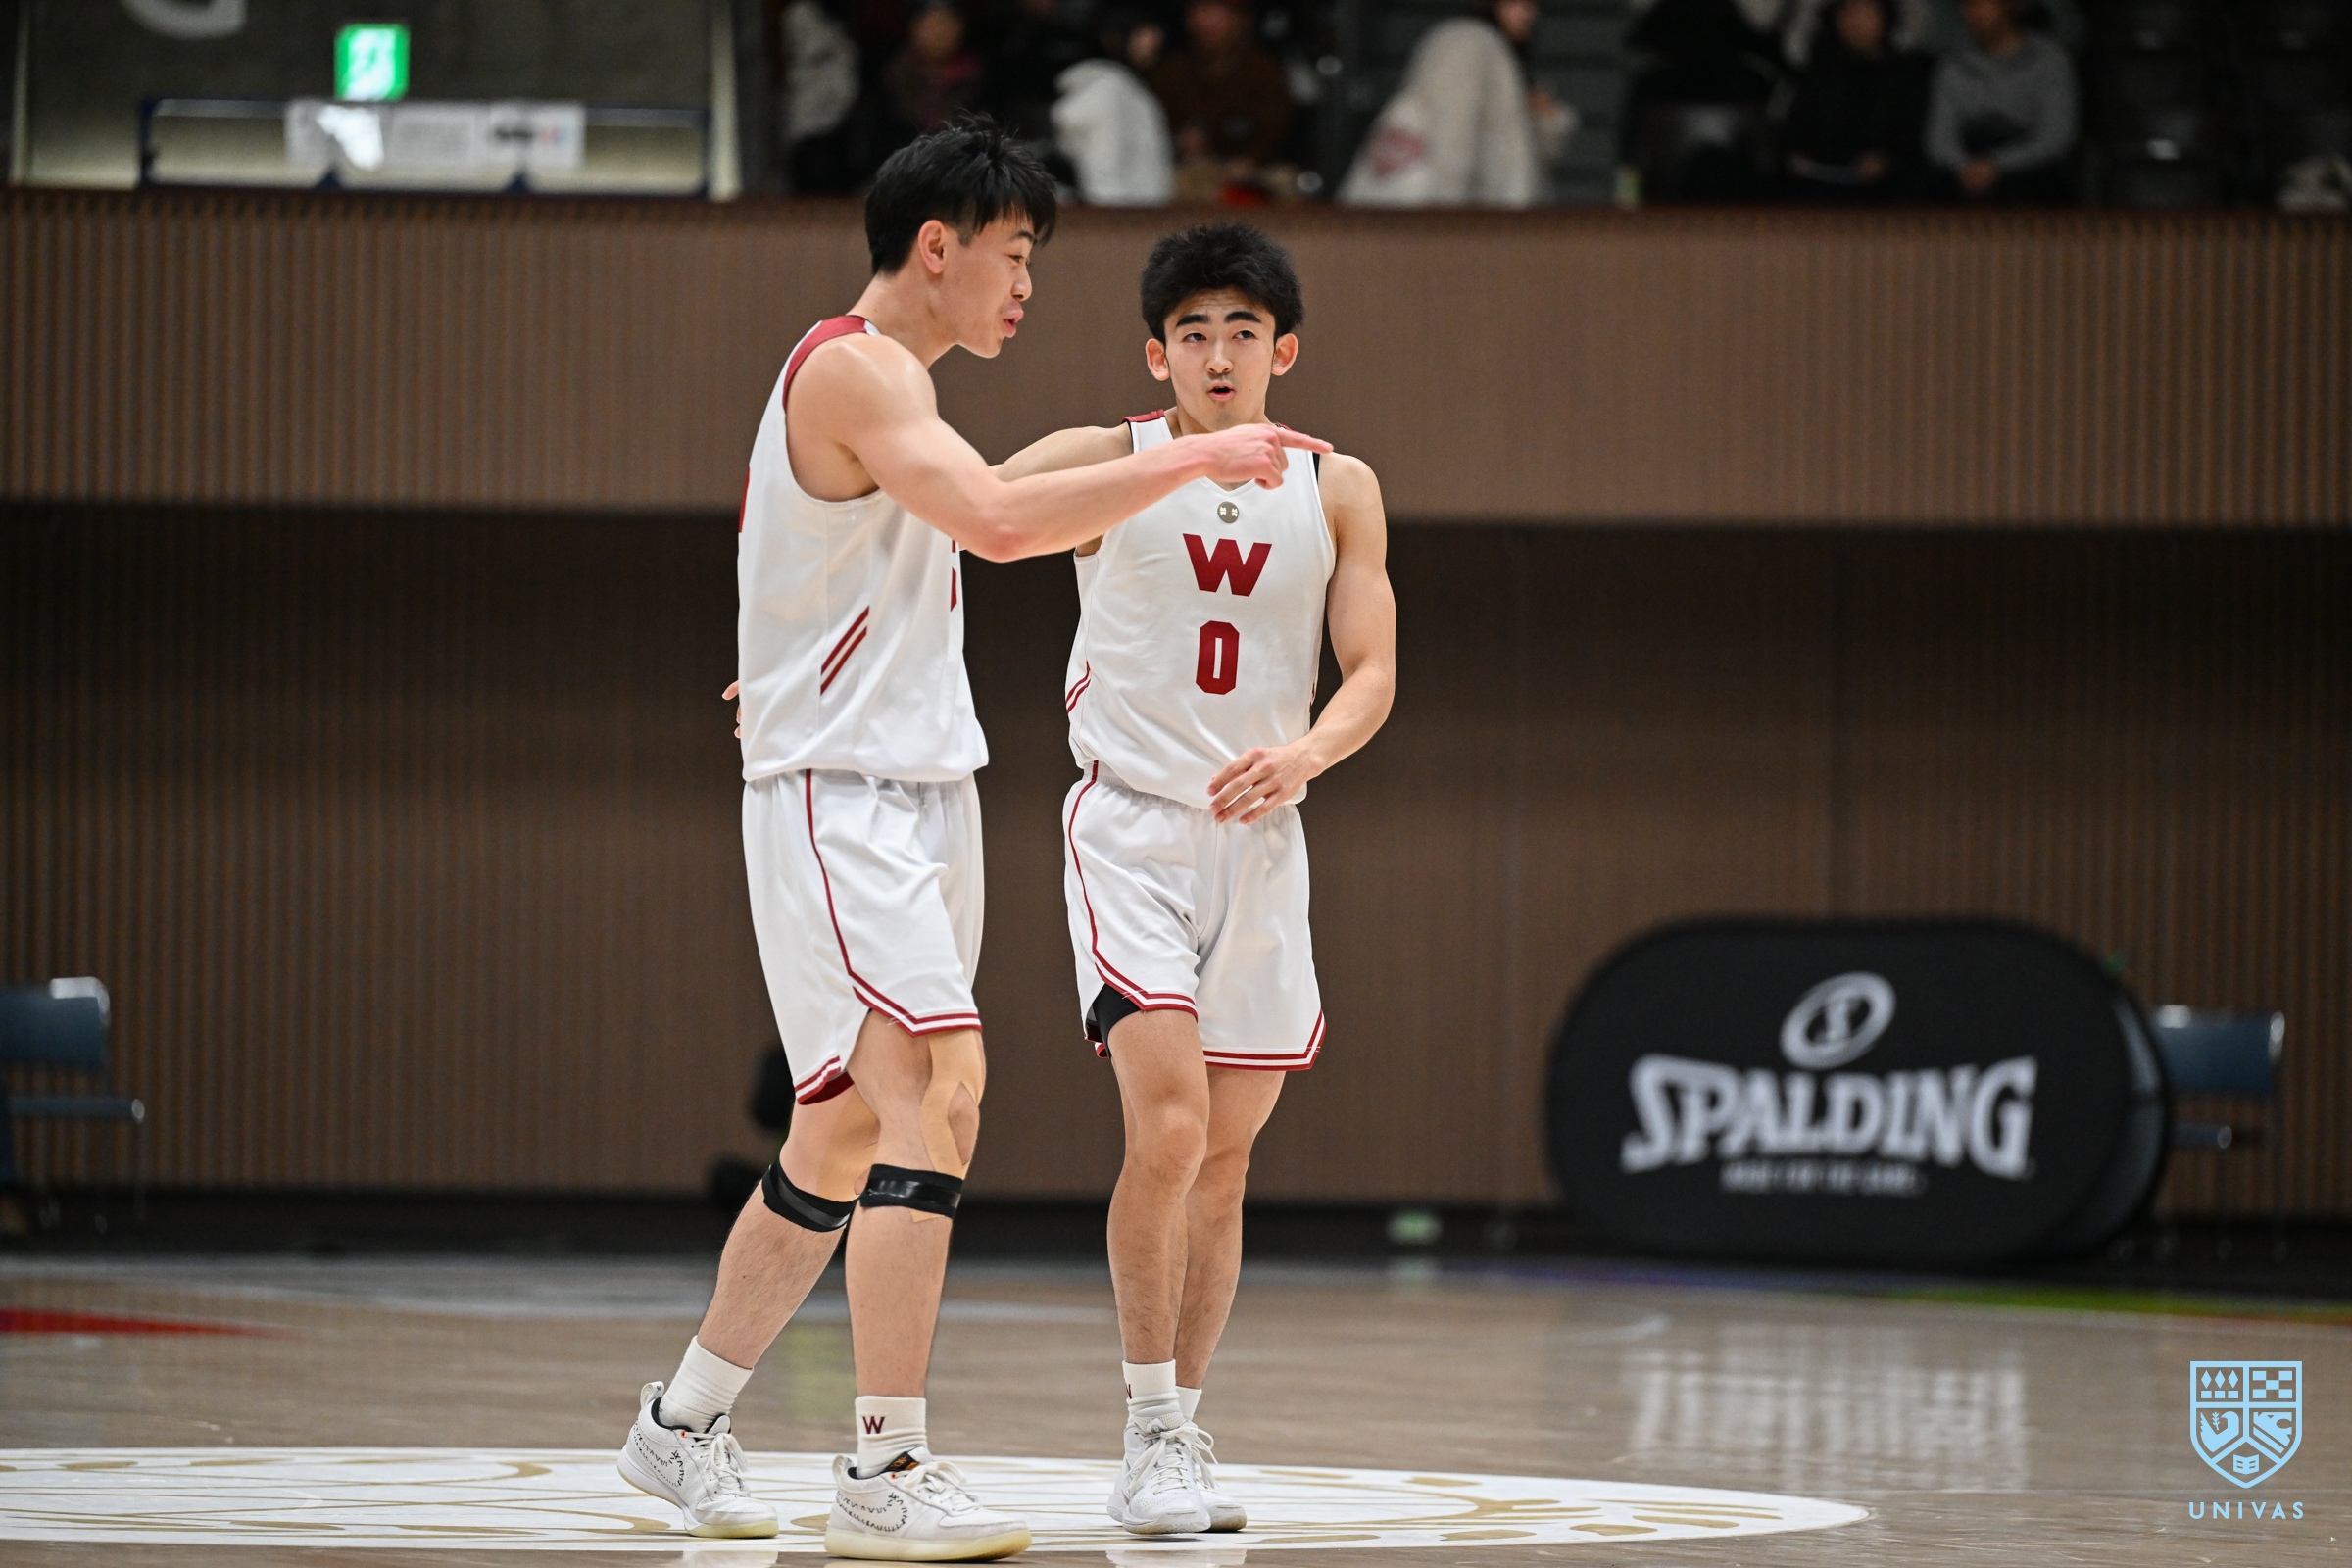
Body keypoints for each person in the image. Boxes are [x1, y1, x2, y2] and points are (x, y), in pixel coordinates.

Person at [614, 122, 1328, 1557]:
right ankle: (885, 1463)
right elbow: (1000, 523)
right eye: (1014, 255)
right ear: (937, 245)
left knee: (841, 1130)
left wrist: (778, 654)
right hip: (845, 792)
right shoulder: (855, 366)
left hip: (921, 787)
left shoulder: (907, 392)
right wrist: (1201, 459)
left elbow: (883, 547)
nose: (1025, 288)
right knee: (940, 1089)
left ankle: (679, 1425)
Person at [996, 223, 1396, 1536]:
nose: (1218, 355)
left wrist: (1308, 754)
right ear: (1155, 353)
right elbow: (947, 515)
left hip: (1263, 842)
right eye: (1193, 333)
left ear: (1285, 350)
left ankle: (1182, 1427)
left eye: (1242, 332)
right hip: (1132, 828)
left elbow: (1373, 670)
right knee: (1167, 1130)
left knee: (1222, 1165)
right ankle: (1149, 1429)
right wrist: (789, 652)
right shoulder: (1104, 458)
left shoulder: (1338, 485)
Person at [1340, 0, 1576, 205]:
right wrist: (1448, 218)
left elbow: (1528, 154)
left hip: (1451, 217)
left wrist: (1546, 116)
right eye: (1516, 3)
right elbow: (1453, 134)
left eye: (1532, 4)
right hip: (1436, 217)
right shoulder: (1469, 41)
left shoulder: (1500, 57)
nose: (1528, 13)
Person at [1924, 0, 2077, 203]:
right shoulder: (1953, 65)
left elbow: (2056, 136)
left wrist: (1996, 164)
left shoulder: (2049, 60)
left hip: (2027, 165)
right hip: (1967, 163)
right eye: (1967, 4)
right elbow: (1939, 139)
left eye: (1983, 3)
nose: (1974, 12)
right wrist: (1966, 166)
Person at [1781, 0, 1927, 201]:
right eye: (1847, 12)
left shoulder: (1905, 74)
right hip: (1820, 183)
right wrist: (1796, 154)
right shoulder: (1821, 69)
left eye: (1865, 12)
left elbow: (1912, 134)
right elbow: (1796, 124)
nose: (1855, 21)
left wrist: (1887, 160)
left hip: (1885, 191)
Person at [1152, 0, 1295, 200]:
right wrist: (1180, 142)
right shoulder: (1171, 71)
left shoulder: (1264, 70)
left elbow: (1277, 129)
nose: (1206, 22)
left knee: (1285, 184)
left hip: (1254, 170)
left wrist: (1252, 159)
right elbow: (1154, 130)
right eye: (1200, 12)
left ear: (1241, 20)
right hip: (1189, 171)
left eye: (1217, 12)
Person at [1054, 8, 1177, 204]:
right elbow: (1101, 177)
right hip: (1119, 217)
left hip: (1142, 214)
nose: (1155, 39)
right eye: (1142, 31)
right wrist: (1111, 219)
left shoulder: (1129, 87)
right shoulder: (1106, 89)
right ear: (1113, 39)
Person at [884, 2, 985, 141]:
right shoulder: (892, 79)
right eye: (930, 24)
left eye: (946, 23)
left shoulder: (979, 82)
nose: (938, 33)